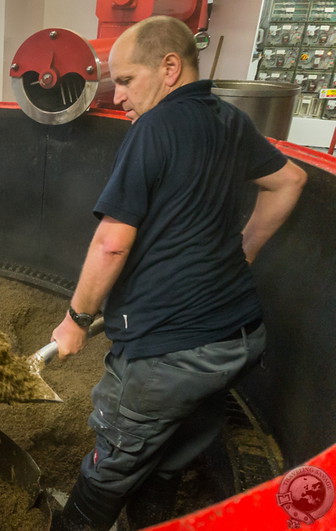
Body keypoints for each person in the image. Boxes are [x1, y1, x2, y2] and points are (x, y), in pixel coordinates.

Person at [49, 15, 307, 531]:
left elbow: (111, 243)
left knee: (115, 454)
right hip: (238, 339)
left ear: (169, 68)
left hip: (170, 353)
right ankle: (147, 519)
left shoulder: (153, 128)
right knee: (177, 441)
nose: (117, 96)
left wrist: (77, 320)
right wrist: (244, 251)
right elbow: (290, 180)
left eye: (125, 80)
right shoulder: (229, 120)